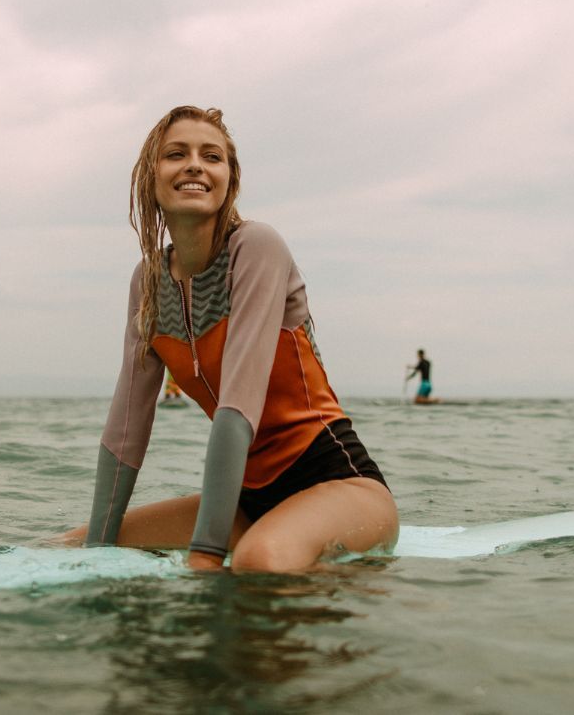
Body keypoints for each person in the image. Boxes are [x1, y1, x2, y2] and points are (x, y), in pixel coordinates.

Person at [62, 105, 397, 572]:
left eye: (212, 156)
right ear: (151, 178)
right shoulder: (149, 282)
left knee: (259, 561)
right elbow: (127, 422)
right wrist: (95, 555)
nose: (195, 164)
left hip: (340, 484)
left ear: (229, 180)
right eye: (176, 153)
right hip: (247, 499)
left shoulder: (256, 248)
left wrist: (205, 555)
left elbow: (238, 404)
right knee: (71, 545)